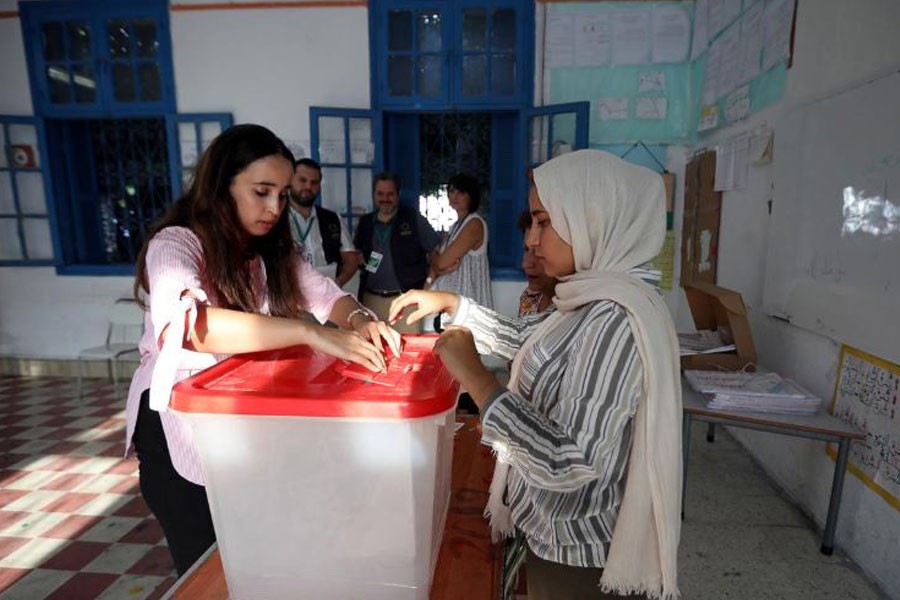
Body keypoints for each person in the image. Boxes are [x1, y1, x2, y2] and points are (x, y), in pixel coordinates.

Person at [389, 149, 682, 600]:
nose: (531, 240)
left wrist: (480, 383)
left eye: (544, 222)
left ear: (592, 220)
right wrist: (451, 305)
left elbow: (572, 461)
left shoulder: (616, 319)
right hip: (550, 533)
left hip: (579, 557)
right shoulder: (587, 298)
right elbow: (530, 339)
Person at [125, 124, 400, 576]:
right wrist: (308, 333)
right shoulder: (176, 244)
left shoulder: (268, 249)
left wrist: (360, 321)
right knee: (209, 568)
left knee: (257, 557)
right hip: (178, 426)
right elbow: (193, 328)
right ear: (221, 186)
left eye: (283, 193)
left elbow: (326, 294)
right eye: (261, 191)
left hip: (237, 420)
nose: (275, 207)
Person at [353, 171, 440, 333]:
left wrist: (427, 285)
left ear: (398, 194)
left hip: (406, 302)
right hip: (370, 301)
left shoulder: (413, 219)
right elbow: (357, 257)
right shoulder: (365, 223)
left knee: (408, 353)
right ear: (374, 195)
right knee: (373, 351)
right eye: (380, 194)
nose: (385, 199)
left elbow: (436, 253)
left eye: (390, 194)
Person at [287, 158, 359, 288]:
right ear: (290, 181)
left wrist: (337, 283)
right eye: (302, 180)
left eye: (314, 182)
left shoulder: (332, 218)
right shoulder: (276, 218)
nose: (308, 187)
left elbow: (351, 259)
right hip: (289, 296)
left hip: (325, 296)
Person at [427, 172, 493, 309]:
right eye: (451, 191)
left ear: (471, 195)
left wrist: (436, 260)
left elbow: (440, 263)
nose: (455, 196)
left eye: (461, 192)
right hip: (451, 304)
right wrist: (438, 264)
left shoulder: (474, 223)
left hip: (470, 305)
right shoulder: (454, 226)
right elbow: (437, 264)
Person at [516, 208, 557, 317]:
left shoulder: (579, 313)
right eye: (526, 249)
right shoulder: (529, 299)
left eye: (539, 250)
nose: (526, 264)